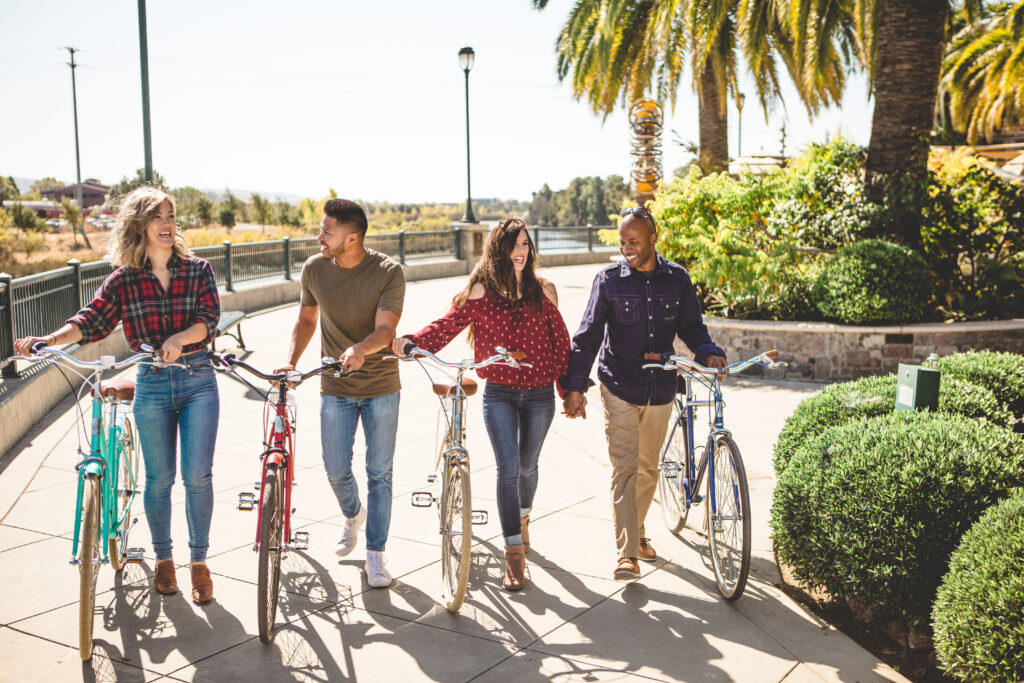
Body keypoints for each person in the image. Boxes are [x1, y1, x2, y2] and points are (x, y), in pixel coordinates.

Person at [15, 186, 221, 603]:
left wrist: (181, 338)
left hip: (198, 377)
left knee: (198, 477)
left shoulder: (198, 269)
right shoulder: (124, 280)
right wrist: (50, 339)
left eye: (171, 215)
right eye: (158, 217)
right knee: (159, 479)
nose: (167, 224)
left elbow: (208, 319)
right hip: (152, 381)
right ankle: (165, 562)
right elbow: (91, 320)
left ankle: (199, 562)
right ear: (139, 225)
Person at [392, 217, 571, 591]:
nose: (520, 251)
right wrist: (412, 342)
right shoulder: (480, 290)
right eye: (513, 244)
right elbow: (447, 325)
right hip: (500, 393)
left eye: (525, 243)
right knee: (507, 469)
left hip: (539, 393)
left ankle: (523, 518)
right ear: (497, 248)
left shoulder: (544, 290)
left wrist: (568, 389)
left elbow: (562, 344)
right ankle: (513, 553)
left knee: (527, 468)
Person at [562, 207, 726, 582]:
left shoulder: (678, 279)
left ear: (654, 239)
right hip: (618, 384)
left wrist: (708, 352)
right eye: (622, 242)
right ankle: (627, 554)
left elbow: (692, 328)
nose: (627, 249)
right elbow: (587, 337)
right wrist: (575, 386)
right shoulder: (608, 281)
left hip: (661, 387)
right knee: (625, 468)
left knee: (648, 468)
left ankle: (636, 535)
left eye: (633, 242)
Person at [278, 198, 404, 589]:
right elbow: (306, 318)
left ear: (352, 238)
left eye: (326, 231)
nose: (319, 237)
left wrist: (361, 349)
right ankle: (353, 514)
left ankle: (376, 554)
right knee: (334, 467)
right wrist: (290, 361)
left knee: (379, 474)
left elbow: (386, 331)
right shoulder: (315, 269)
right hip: (334, 385)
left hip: (381, 385)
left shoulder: (387, 272)